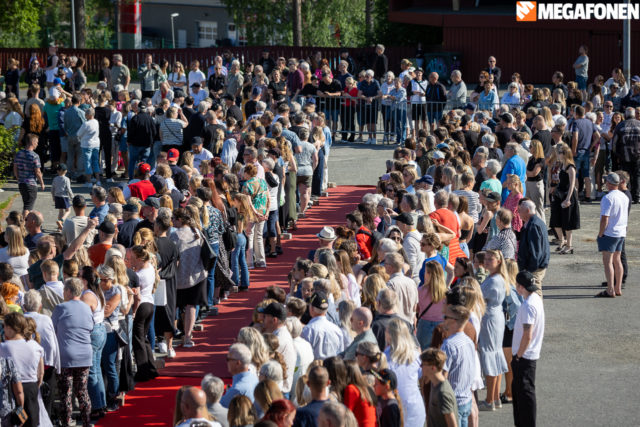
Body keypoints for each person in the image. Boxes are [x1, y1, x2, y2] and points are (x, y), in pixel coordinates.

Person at [52, 278, 94, 426]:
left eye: (64, 290)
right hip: (84, 355)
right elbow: (91, 327)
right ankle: (87, 422)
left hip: (66, 356)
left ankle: (66, 423)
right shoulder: (87, 308)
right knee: (82, 392)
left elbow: (52, 330)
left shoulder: (60, 308)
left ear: (69, 291)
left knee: (66, 394)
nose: (63, 293)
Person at [512, 271, 545, 427]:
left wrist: (518, 356)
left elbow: (527, 334)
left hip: (525, 357)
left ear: (520, 286)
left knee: (524, 397)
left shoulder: (528, 305)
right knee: (522, 395)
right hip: (528, 355)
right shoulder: (535, 299)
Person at [0, 312, 45, 427]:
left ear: (10, 328)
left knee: (13, 422)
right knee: (31, 421)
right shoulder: (36, 347)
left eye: (4, 326)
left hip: (10, 390)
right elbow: (40, 374)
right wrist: (37, 385)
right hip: (31, 388)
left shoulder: (3, 348)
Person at [171, 208, 207, 347]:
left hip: (179, 276)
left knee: (174, 306)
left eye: (174, 218)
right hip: (196, 274)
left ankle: (173, 333)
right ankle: (187, 336)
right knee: (191, 306)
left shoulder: (175, 235)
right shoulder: (197, 231)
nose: (172, 221)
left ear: (180, 220)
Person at [384, 317, 425, 427]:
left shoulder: (385, 357)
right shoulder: (416, 355)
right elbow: (422, 377)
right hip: (415, 405)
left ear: (390, 334)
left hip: (395, 407)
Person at [595, 173, 628, 298]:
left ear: (609, 183)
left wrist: (600, 233)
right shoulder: (624, 196)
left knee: (607, 261)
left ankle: (610, 289)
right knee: (617, 260)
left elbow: (605, 218)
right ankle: (617, 287)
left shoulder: (608, 198)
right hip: (621, 232)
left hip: (610, 233)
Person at [549, 143, 580, 255]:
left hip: (568, 195)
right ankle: (562, 241)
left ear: (565, 154)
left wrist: (568, 199)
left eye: (559, 153)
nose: (557, 154)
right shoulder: (561, 165)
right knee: (556, 220)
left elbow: (572, 185)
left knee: (567, 223)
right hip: (559, 194)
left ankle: (569, 245)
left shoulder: (570, 167)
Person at [420, 348, 458, 427]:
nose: (420, 367)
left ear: (433, 368)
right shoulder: (434, 384)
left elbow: (452, 424)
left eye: (423, 364)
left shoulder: (443, 393)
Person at [300, 291, 344, 360]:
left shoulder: (307, 330)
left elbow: (304, 355)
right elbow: (340, 353)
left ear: (311, 308)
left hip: (314, 368)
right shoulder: (337, 330)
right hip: (332, 368)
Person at [517, 200, 550, 286]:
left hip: (535, 269)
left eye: (520, 210)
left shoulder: (533, 225)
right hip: (535, 267)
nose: (518, 212)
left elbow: (536, 252)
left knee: (535, 293)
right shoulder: (531, 223)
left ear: (527, 211)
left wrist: (529, 270)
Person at [416, 260, 447, 350]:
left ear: (429, 274)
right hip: (441, 325)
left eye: (425, 272)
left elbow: (417, 309)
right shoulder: (445, 292)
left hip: (424, 324)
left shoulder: (421, 290)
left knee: (423, 354)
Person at [14, 133, 44, 216]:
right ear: (32, 142)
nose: (37, 144)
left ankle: (24, 224)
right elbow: (37, 171)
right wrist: (42, 183)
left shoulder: (19, 153)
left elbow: (15, 168)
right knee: (28, 207)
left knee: (26, 205)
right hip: (31, 184)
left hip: (21, 183)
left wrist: (18, 178)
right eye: (37, 142)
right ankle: (24, 226)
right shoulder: (34, 156)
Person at [220, 343, 259, 408]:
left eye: (228, 359)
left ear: (238, 363)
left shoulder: (237, 389)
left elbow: (219, 407)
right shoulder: (254, 377)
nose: (227, 362)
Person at [383, 252, 418, 324]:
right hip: (409, 324)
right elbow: (415, 307)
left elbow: (387, 307)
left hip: (396, 325)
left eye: (385, 263)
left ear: (390, 267)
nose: (384, 265)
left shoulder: (391, 284)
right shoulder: (412, 282)